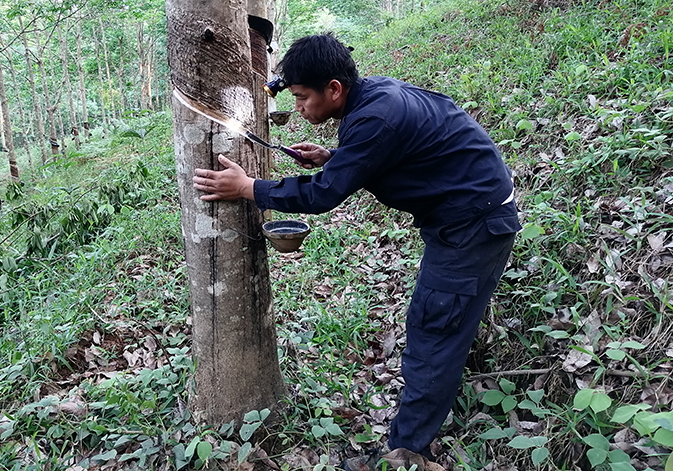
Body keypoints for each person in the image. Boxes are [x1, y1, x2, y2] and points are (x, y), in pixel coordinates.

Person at [193, 33, 521, 465]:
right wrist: (335, 155)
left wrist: (249, 187)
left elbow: (323, 197)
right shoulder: (373, 96)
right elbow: (395, 149)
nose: (299, 108)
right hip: (470, 216)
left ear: (334, 89)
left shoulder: (376, 119)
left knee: (432, 335)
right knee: (440, 327)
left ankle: (405, 454)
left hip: (472, 228)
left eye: (302, 97)